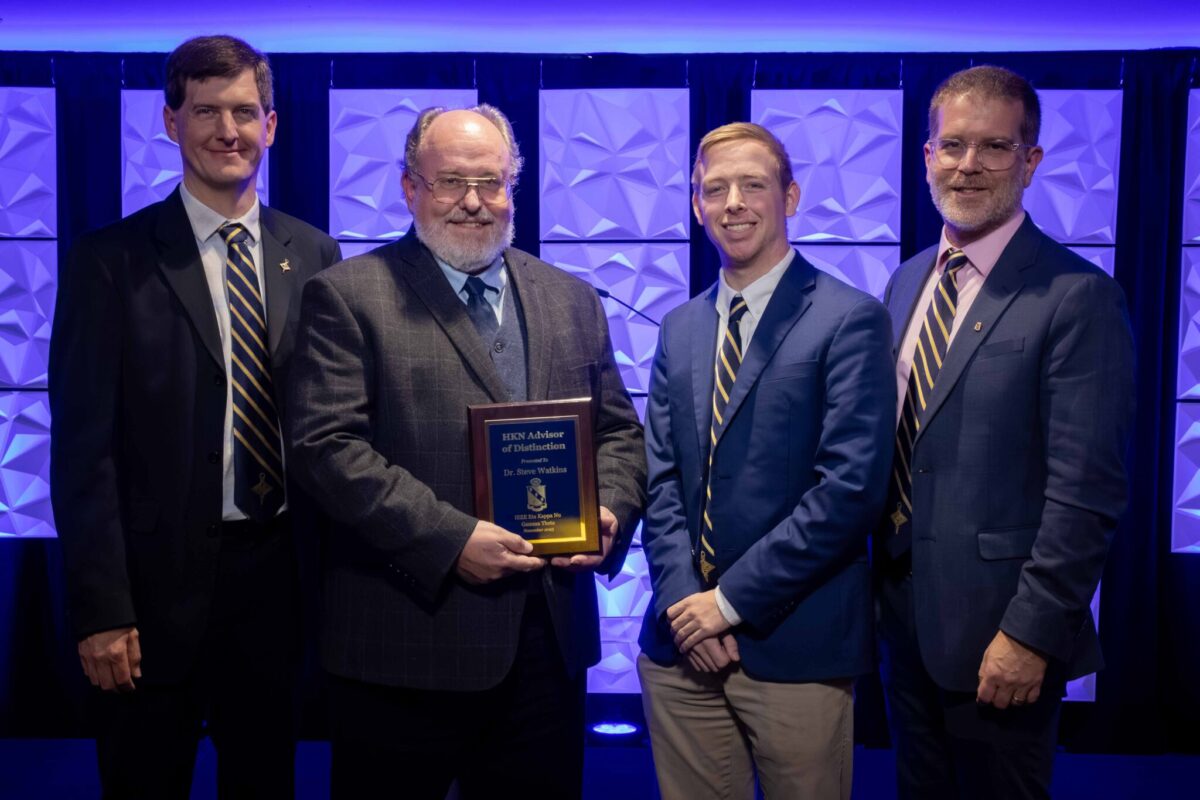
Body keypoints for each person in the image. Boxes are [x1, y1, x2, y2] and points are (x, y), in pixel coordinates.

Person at [285, 104, 646, 800]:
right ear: (409, 187)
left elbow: (619, 432)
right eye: (451, 181)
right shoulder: (347, 295)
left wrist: (609, 510)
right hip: (404, 647)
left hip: (546, 648)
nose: (474, 203)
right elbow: (327, 449)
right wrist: (452, 540)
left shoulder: (570, 298)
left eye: (492, 182)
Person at [48, 34, 341, 798]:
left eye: (246, 112)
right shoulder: (107, 260)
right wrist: (100, 611)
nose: (228, 130)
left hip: (278, 588)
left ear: (272, 127)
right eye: (205, 110)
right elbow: (84, 452)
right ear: (170, 122)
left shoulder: (314, 255)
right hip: (146, 601)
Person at [876, 65, 1136, 800]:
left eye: (994, 147)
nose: (968, 165)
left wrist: (1029, 634)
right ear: (926, 156)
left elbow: (1086, 492)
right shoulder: (906, 283)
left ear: (1031, 162)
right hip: (904, 623)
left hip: (1001, 633)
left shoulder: (1077, 297)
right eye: (952, 145)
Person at [635, 122, 895, 799]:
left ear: (792, 196)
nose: (733, 203)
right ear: (696, 206)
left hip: (796, 646)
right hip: (679, 649)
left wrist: (727, 603)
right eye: (713, 189)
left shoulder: (849, 318)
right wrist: (681, 601)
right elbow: (658, 479)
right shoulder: (680, 327)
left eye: (754, 185)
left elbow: (850, 491)